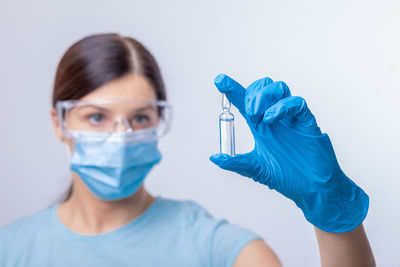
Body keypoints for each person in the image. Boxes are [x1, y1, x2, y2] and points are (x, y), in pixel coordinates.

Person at [0, 33, 375, 267]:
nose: (120, 136)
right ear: (59, 123)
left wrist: (332, 212)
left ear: (159, 123)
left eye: (140, 118)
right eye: (96, 117)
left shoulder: (220, 249)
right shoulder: (10, 250)